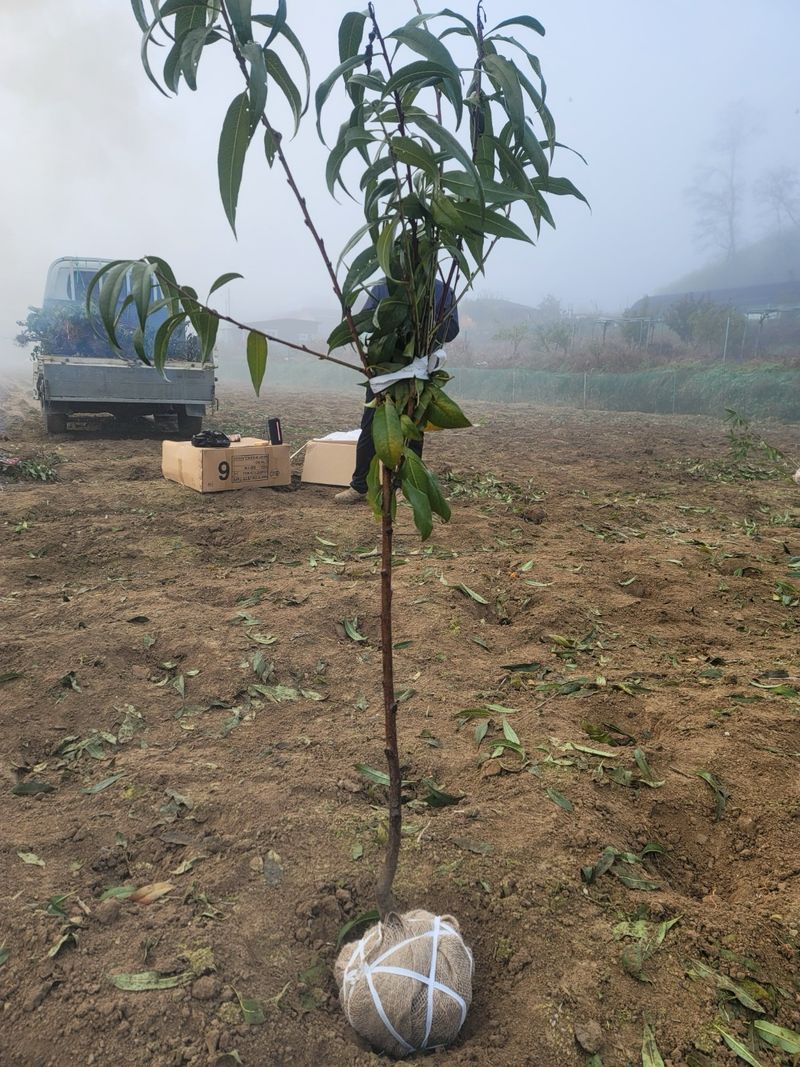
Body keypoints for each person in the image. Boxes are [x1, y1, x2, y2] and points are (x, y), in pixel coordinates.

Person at [334, 278, 459, 503]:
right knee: (371, 425)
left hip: (417, 369)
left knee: (412, 427)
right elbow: (366, 321)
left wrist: (421, 327)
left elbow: (451, 330)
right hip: (384, 368)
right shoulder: (385, 284)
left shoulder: (441, 289)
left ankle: (405, 486)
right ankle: (360, 485)